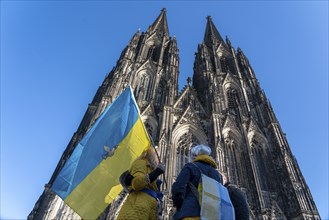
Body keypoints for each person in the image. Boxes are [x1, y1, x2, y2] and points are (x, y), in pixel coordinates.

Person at [171, 144, 222, 220]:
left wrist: (180, 204)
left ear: (195, 155)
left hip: (191, 212)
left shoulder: (190, 166)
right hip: (211, 215)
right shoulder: (217, 174)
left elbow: (178, 187)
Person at [117, 147, 165, 220]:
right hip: (134, 212)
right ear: (152, 155)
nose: (160, 161)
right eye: (158, 157)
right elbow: (136, 183)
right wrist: (156, 173)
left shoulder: (150, 169)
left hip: (144, 211)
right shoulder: (141, 163)